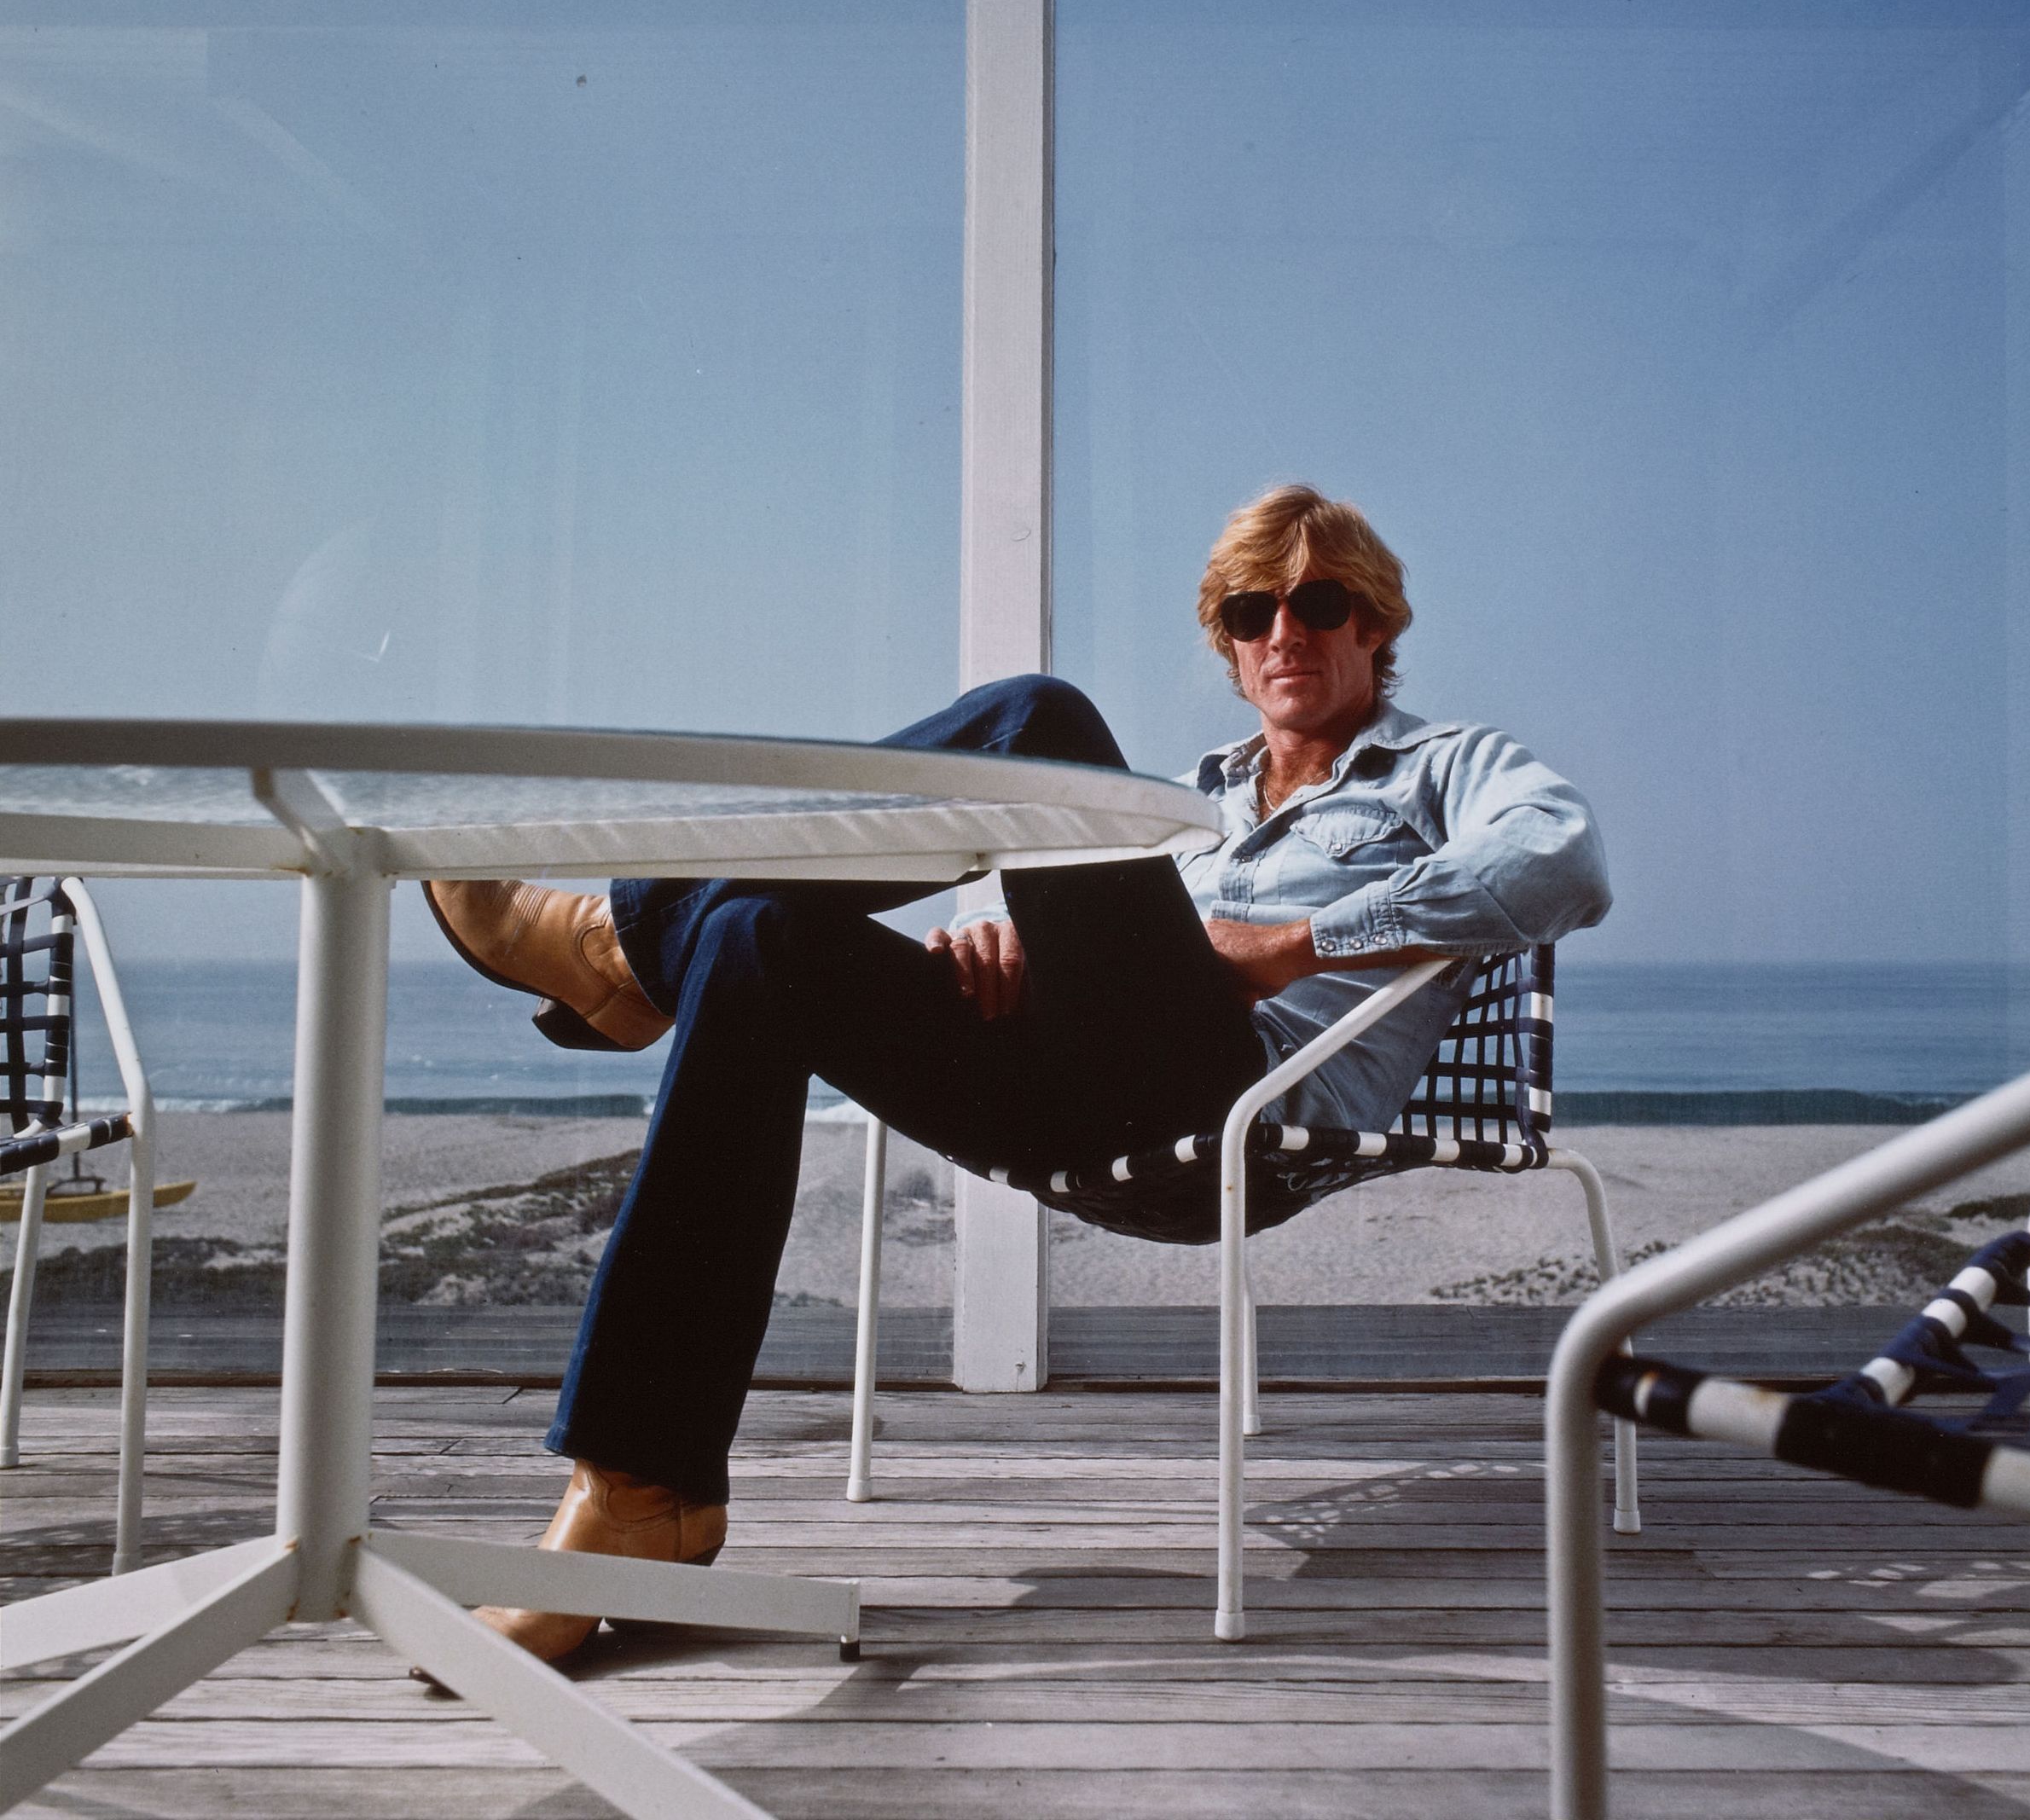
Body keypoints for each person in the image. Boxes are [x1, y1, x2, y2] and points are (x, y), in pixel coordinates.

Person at [423, 484, 1610, 1664]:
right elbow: (1087, 938)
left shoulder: (1442, 767)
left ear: (1377, 623)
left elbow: (1561, 859)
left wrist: (1289, 946)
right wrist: (992, 932)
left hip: (1230, 1101)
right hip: (1066, 1087)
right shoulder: (1187, 803)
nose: (1284, 632)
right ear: (1231, 647)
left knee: (1037, 722)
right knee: (754, 940)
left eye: (1320, 603)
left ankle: (625, 950)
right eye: (1253, 613)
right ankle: (646, 1490)